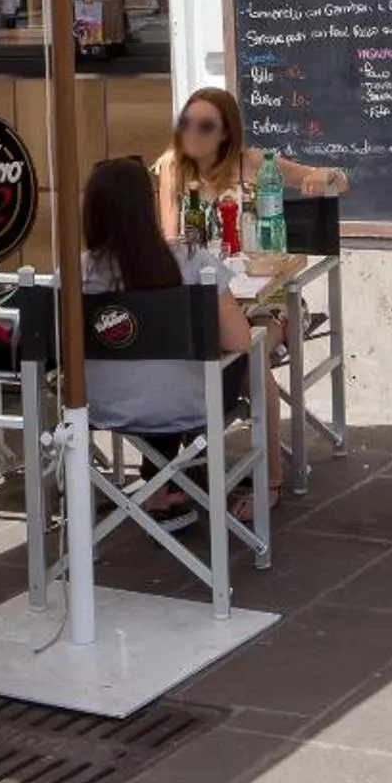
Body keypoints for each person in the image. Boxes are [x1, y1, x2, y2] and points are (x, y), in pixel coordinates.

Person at [80, 158, 281, 524]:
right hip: (188, 407)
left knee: (152, 370)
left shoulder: (75, 273)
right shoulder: (191, 261)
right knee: (241, 347)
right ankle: (264, 480)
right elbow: (238, 340)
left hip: (102, 409)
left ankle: (160, 488)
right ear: (148, 204)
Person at [152, 87, 347, 241]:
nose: (192, 133)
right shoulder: (173, 165)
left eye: (205, 126)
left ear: (225, 133)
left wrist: (329, 176)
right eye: (186, 123)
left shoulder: (254, 162)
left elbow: (339, 183)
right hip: (204, 279)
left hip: (258, 275)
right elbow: (171, 240)